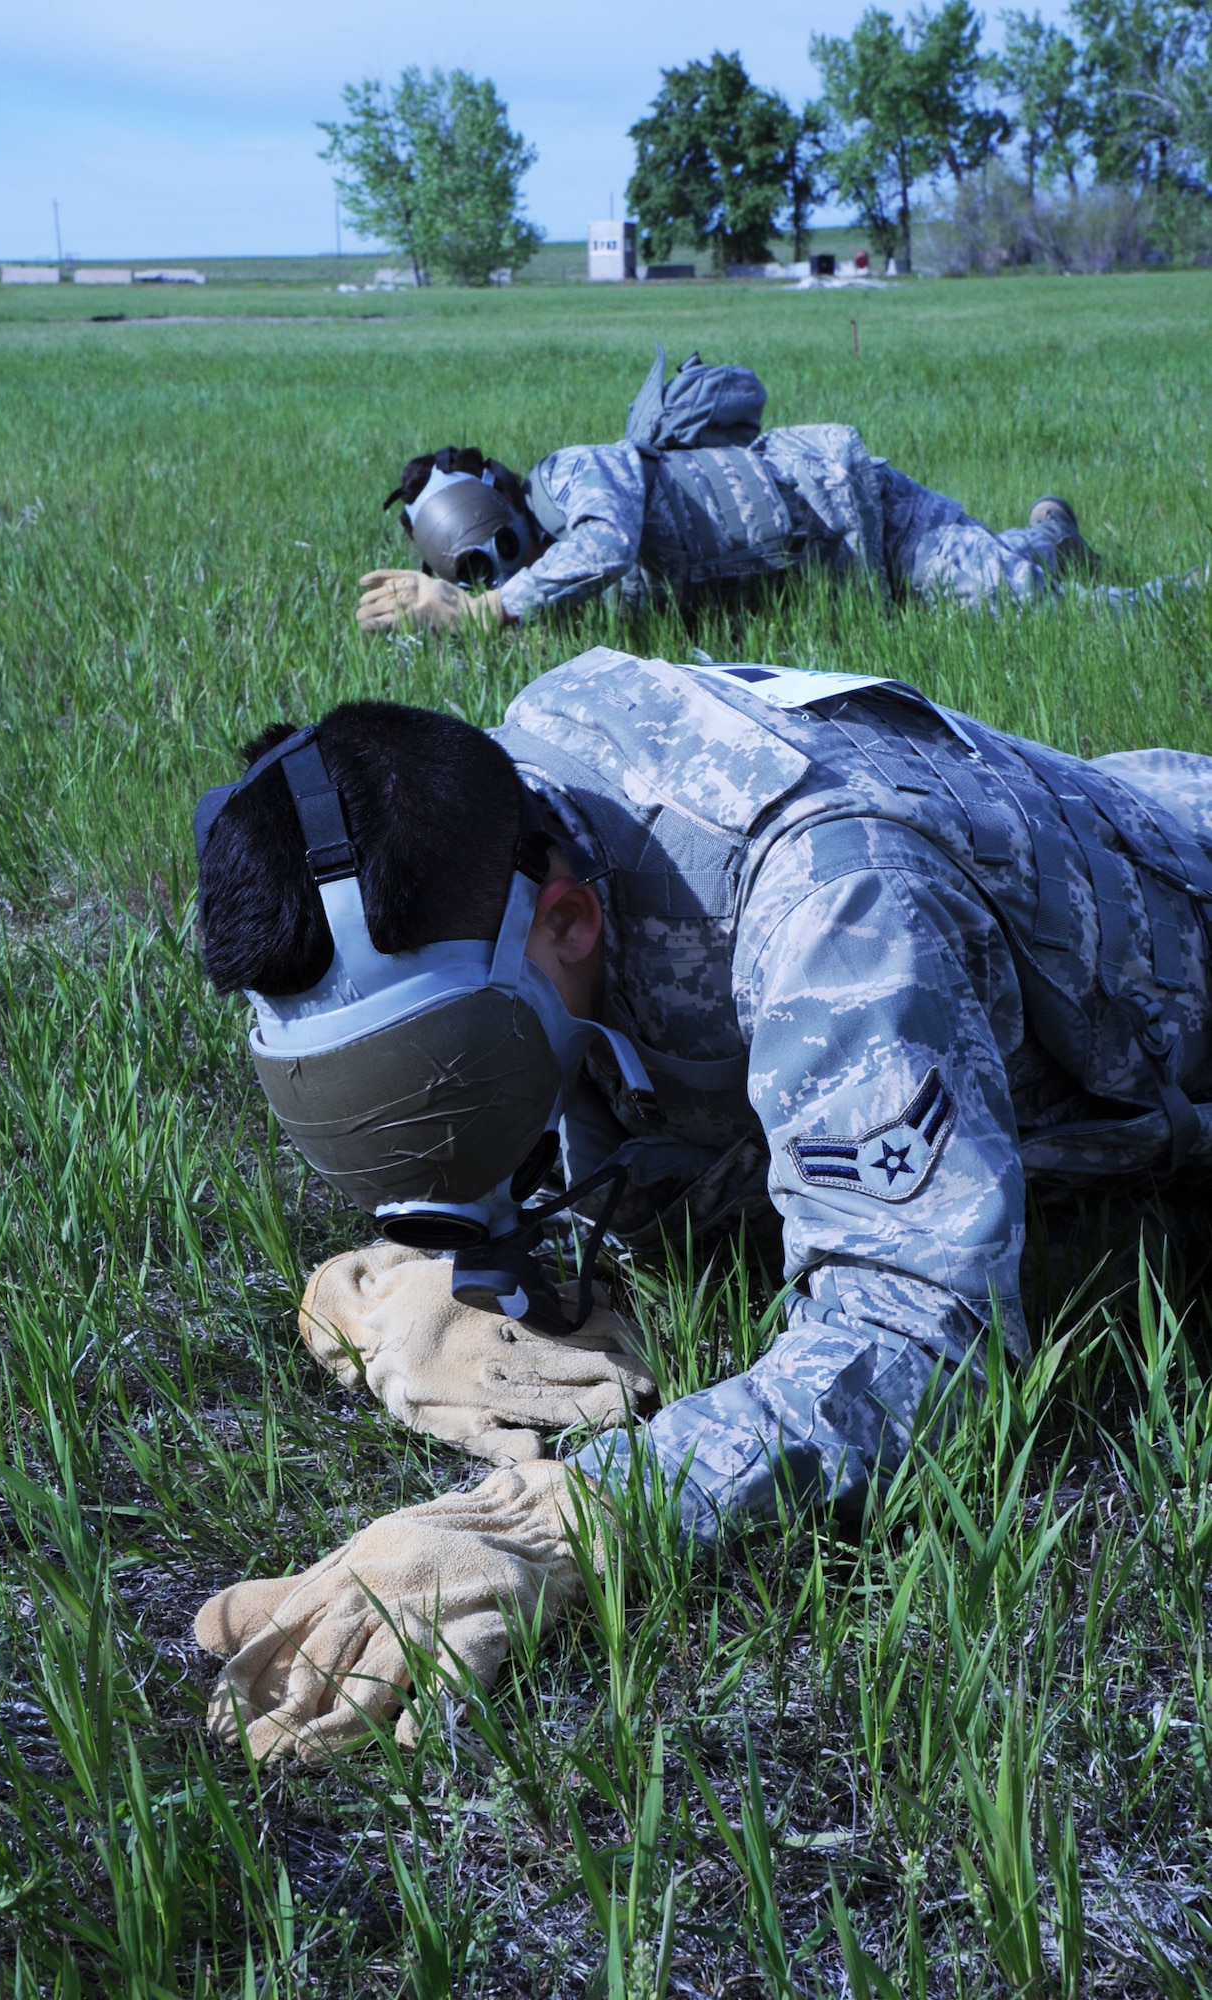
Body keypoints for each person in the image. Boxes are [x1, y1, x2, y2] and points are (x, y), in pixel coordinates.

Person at [190, 648, 1212, 1761]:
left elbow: (932, 1334)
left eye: (443, 1072)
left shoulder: (836, 907)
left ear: (572, 921)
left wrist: (567, 1521)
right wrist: (473, 1240)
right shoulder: (493, 822)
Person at [352, 346, 1142, 638]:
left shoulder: (572, 475)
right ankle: (1049, 538)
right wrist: (433, 626)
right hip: (846, 584)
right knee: (998, 594)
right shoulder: (564, 605)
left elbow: (608, 545)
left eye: (492, 554)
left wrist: (486, 612)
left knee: (1036, 612)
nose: (497, 570)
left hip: (865, 510)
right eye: (475, 575)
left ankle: (1170, 592)